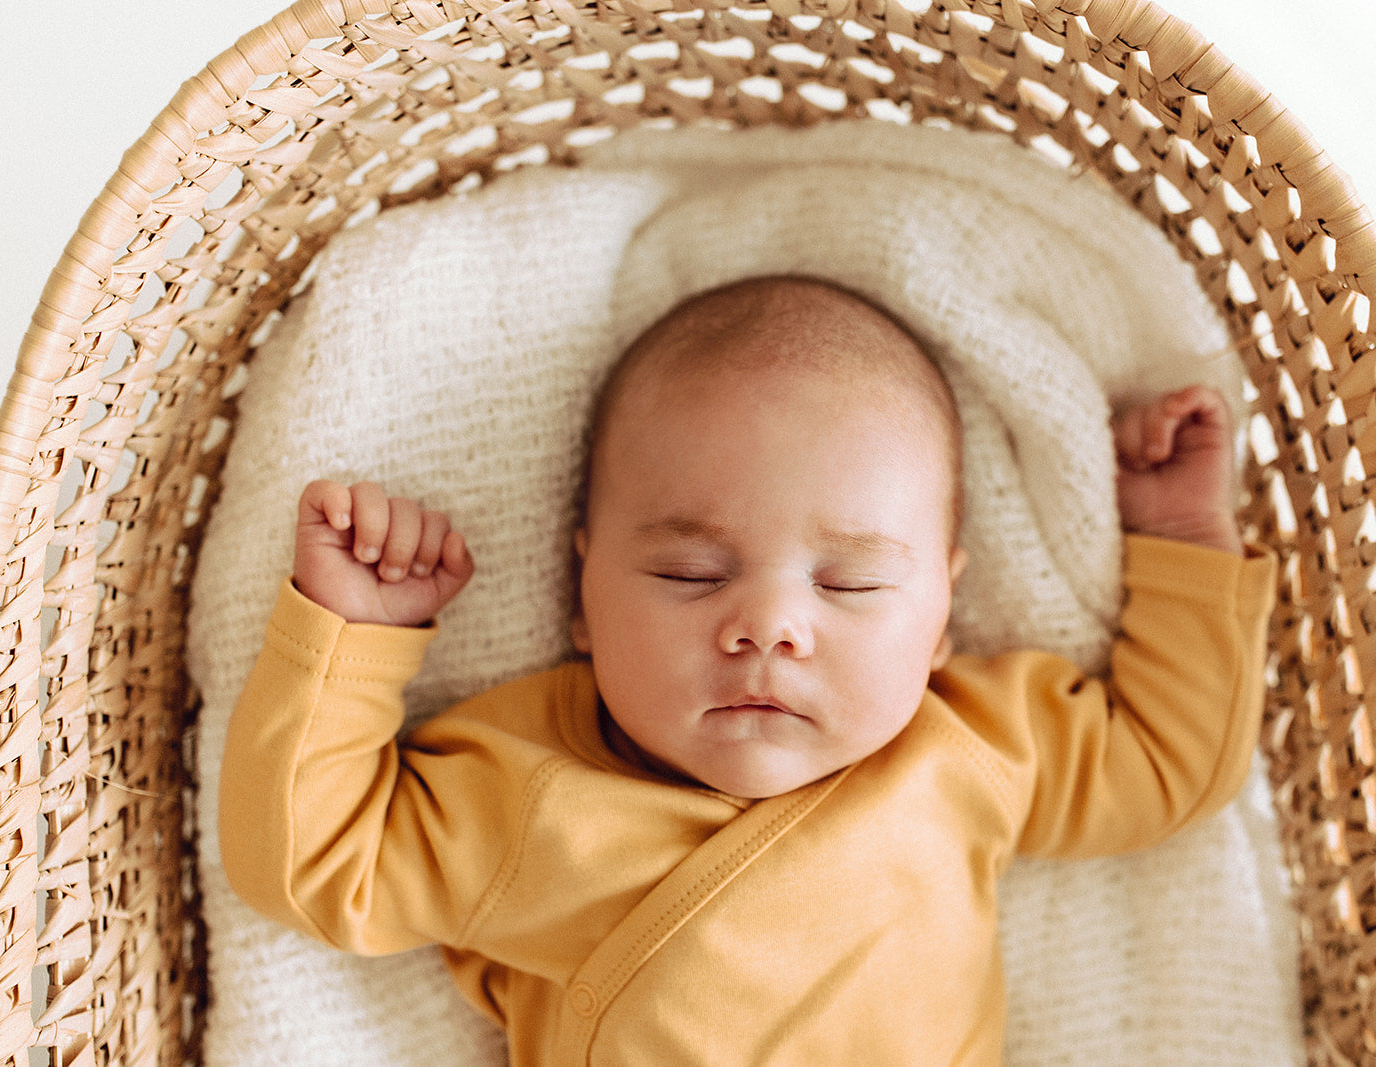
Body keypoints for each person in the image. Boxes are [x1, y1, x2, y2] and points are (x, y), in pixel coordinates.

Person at [220, 275, 1275, 1064]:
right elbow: (312, 860)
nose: (767, 626)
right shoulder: (525, 785)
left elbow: (1168, 762)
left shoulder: (974, 749)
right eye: (689, 571)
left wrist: (1183, 535)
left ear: (942, 613)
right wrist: (352, 635)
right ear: (582, 593)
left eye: (851, 584)